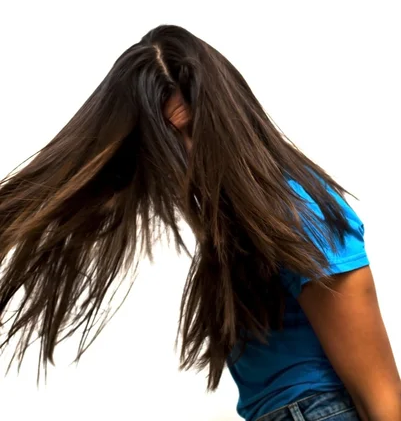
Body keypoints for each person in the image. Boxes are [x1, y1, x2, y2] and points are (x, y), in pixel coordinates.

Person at [0, 25, 399, 421]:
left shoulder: (300, 215)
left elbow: (381, 394)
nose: (186, 157)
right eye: (168, 143)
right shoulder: (240, 226)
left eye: (194, 131)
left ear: (228, 121)